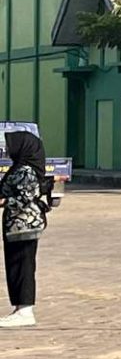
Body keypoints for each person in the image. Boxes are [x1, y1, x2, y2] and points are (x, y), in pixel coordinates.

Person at [2, 129, 56, 329]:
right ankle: (20, 309)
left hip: (24, 224)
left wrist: (4, 201)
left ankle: (25, 311)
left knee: (22, 266)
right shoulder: (21, 167)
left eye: (11, 145)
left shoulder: (26, 171)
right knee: (16, 267)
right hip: (16, 225)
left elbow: (25, 198)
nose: (8, 149)